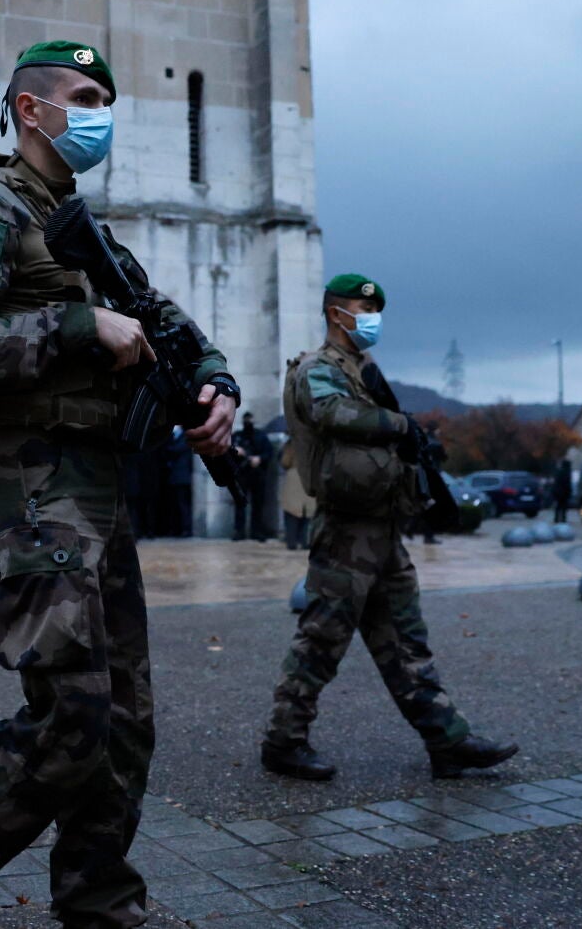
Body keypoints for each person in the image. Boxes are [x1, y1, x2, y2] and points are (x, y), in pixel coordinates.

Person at [0, 39, 240, 929]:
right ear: (30, 109)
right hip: (36, 478)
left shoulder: (89, 232)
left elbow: (171, 325)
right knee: (71, 708)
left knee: (125, 713)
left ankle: (97, 897)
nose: (99, 112)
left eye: (107, 98)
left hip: (100, 482)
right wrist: (78, 327)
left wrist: (217, 385)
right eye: (83, 96)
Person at [262, 273, 515, 784]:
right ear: (336, 314)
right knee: (322, 639)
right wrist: (402, 426)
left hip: (382, 527)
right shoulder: (317, 369)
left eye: (376, 312)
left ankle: (447, 740)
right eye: (363, 311)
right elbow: (330, 412)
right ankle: (283, 742)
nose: (372, 320)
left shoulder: (364, 372)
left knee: (405, 639)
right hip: (345, 529)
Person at [231, 412, 273, 541]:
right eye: (246, 420)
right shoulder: (237, 436)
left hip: (257, 474)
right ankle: (239, 531)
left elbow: (268, 452)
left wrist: (259, 459)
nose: (248, 422)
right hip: (241, 474)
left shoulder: (261, 436)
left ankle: (256, 531)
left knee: (258, 504)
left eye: (250, 420)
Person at [279, 441, 316, 551]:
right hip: (310, 478)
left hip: (294, 477)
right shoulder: (315, 444)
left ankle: (292, 541)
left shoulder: (291, 444)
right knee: (308, 514)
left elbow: (285, 462)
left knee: (291, 513)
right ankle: (305, 541)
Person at [161, 429, 195, 537]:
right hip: (174, 477)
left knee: (183, 504)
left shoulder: (185, 437)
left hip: (182, 477)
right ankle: (177, 529)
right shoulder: (174, 437)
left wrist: (165, 447)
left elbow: (176, 449)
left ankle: (186, 529)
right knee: (175, 505)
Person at [552, 459, 573, 524]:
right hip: (564, 492)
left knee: (558, 506)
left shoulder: (559, 472)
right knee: (563, 506)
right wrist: (569, 491)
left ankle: (556, 519)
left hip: (558, 492)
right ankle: (563, 519)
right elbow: (567, 484)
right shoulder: (567, 472)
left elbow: (555, 483)